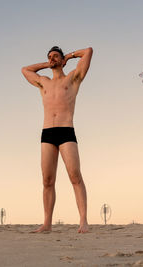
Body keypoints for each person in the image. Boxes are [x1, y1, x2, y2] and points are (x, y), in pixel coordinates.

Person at [21, 46, 93, 233]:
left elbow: (88, 51)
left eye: (55, 56)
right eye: (49, 56)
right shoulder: (43, 82)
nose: (52, 58)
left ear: (62, 60)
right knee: (47, 180)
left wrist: (68, 56)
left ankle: (83, 221)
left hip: (66, 130)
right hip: (47, 133)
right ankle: (47, 224)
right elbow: (25, 70)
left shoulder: (72, 78)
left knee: (75, 176)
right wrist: (47, 64)